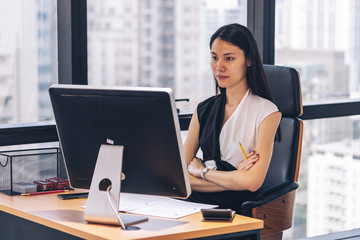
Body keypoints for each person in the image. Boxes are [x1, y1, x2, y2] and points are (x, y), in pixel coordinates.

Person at [183, 23, 281, 214]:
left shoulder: (267, 112)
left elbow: (252, 182)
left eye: (229, 58)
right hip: (191, 204)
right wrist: (236, 177)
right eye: (214, 58)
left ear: (249, 60)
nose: (219, 67)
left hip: (234, 209)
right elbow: (180, 178)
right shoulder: (203, 109)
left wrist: (202, 172)